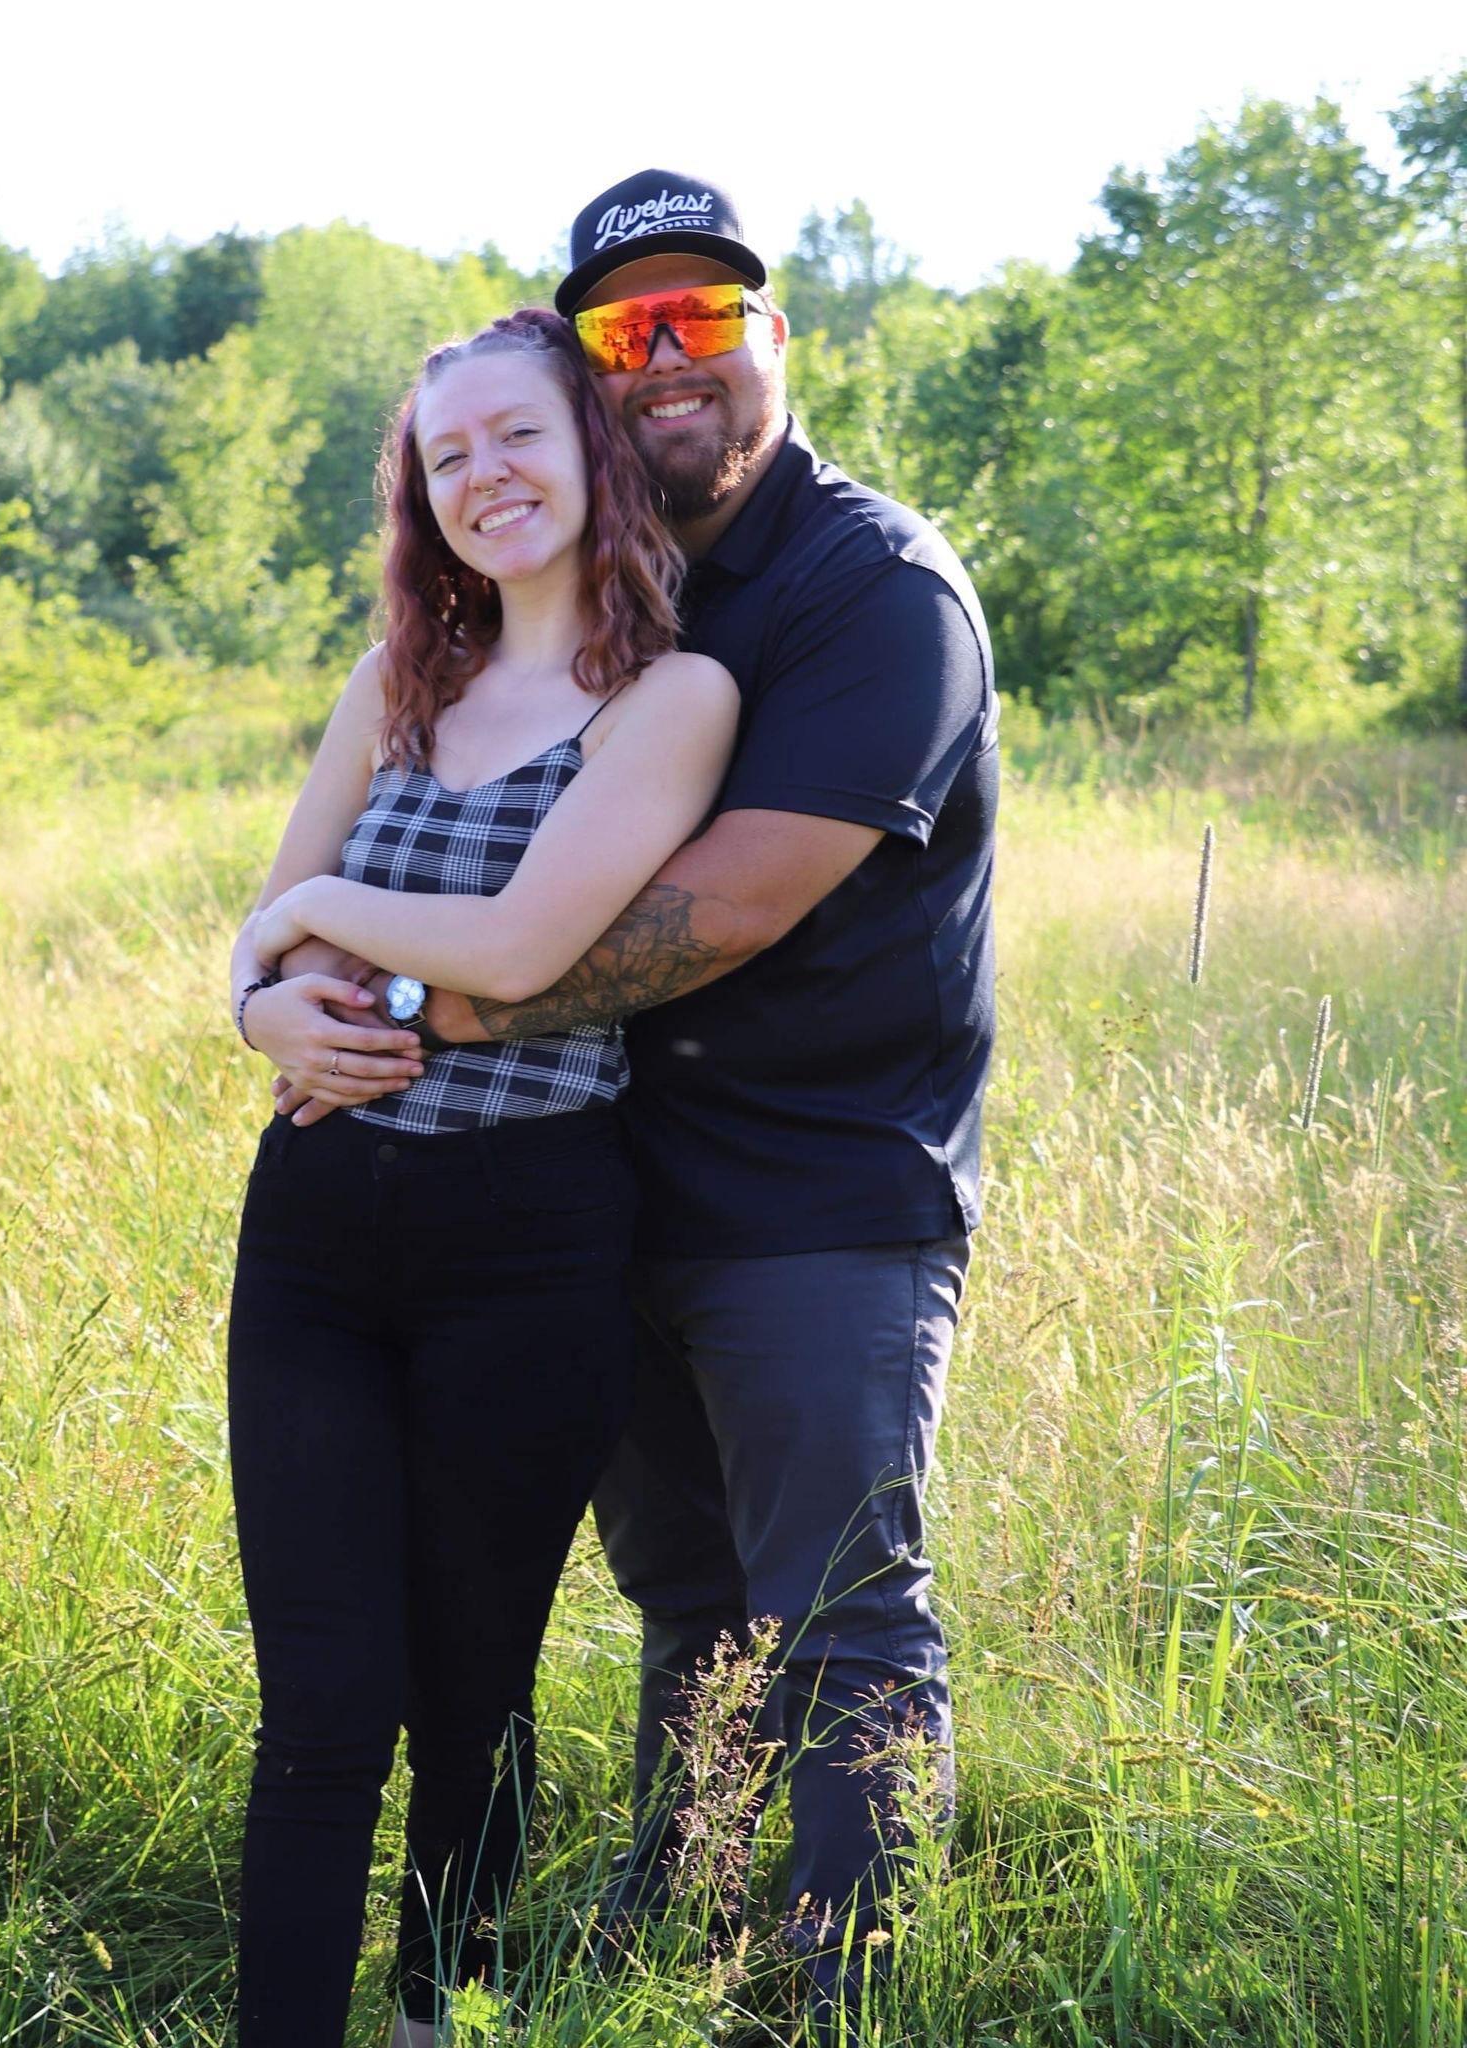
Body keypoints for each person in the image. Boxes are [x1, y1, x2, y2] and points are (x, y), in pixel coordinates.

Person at [267, 171, 998, 2016]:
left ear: (777, 337)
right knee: (688, 1603)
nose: (669, 358)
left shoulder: (871, 591)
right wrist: (278, 1002)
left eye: (705, 315)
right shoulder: (599, 585)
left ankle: (825, 2001)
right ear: (590, 376)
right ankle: (679, 1934)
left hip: (816, 1196)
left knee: (837, 1617)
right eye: (624, 327)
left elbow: (718, 911)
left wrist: (395, 1009)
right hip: (600, 1187)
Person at [224, 306, 738, 2047]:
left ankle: (438, 2015)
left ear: (592, 447)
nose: (484, 475)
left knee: (472, 1693)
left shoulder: (671, 700)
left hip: (530, 1242)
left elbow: (521, 948)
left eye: (516, 434)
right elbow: (260, 954)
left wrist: (315, 925)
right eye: (446, 456)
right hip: (316, 1232)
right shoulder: (397, 681)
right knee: (322, 1703)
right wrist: (260, 1006)